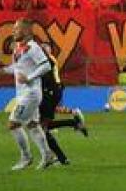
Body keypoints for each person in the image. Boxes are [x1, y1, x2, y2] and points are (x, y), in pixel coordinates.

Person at [0, 18, 54, 171]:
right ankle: (47, 155)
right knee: (32, 125)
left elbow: (46, 66)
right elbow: (18, 68)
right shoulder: (18, 47)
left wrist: (29, 77)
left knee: (13, 124)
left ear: (27, 31)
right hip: (23, 93)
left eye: (17, 29)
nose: (13, 31)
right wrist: (4, 70)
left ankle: (26, 157)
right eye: (14, 29)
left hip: (31, 93)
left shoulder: (33, 48)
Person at [34, 28, 89, 166]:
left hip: (51, 92)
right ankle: (73, 124)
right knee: (43, 126)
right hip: (52, 91)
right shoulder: (48, 59)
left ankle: (56, 157)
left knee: (42, 127)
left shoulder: (49, 60)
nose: (42, 50)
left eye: (44, 48)